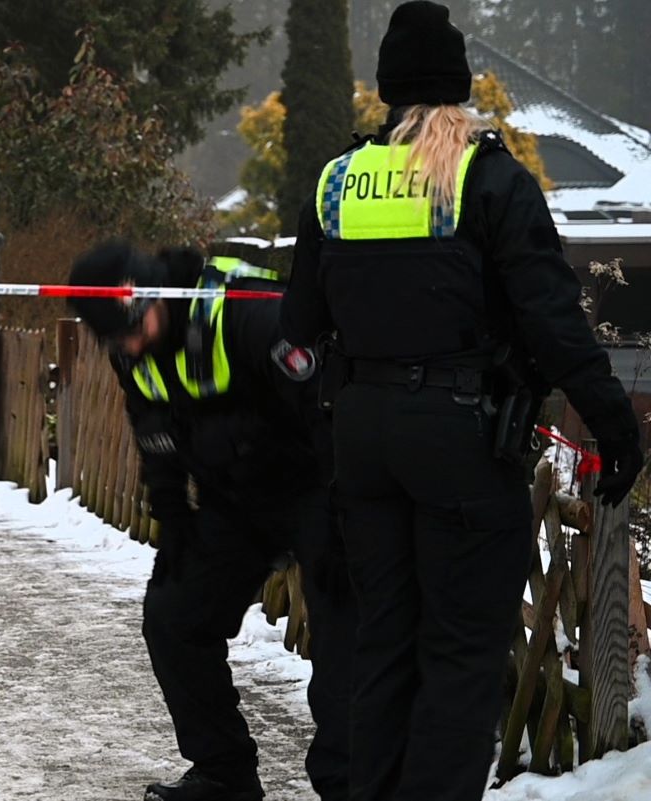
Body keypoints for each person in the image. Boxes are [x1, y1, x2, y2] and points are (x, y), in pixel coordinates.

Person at [280, 3, 645, 800]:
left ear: (386, 91)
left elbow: (297, 329)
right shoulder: (488, 178)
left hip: (363, 441)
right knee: (459, 654)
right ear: (458, 89)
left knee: (382, 645)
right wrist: (612, 423)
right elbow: (552, 317)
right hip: (458, 442)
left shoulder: (338, 181)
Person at [67, 243, 353, 801]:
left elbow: (331, 415)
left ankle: (349, 785)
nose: (128, 345)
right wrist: (174, 519)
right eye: (114, 339)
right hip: (234, 502)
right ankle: (224, 774)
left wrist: (347, 518)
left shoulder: (247, 314)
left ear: (154, 295)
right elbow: (153, 429)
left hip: (316, 489)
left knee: (345, 636)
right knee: (173, 617)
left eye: (131, 327)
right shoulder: (129, 347)